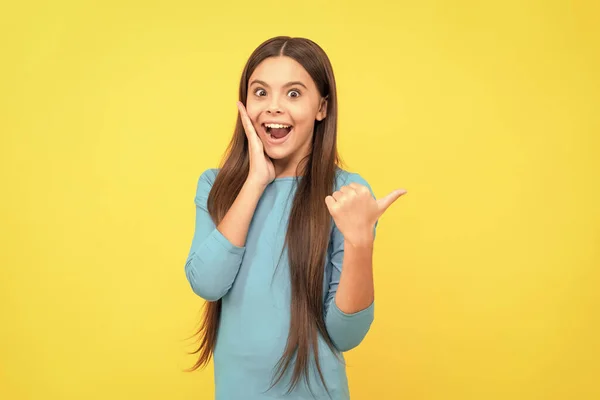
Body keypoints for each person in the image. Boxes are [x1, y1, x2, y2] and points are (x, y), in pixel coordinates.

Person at [184, 36, 406, 400]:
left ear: (322, 107)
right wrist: (256, 180)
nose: (273, 107)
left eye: (293, 94)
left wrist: (360, 241)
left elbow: (346, 335)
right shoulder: (216, 186)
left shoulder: (345, 192)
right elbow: (207, 282)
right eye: (260, 93)